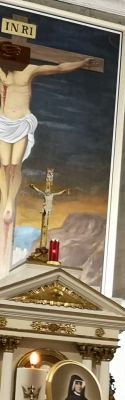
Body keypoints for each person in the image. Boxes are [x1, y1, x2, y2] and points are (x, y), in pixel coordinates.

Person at [0, 56, 95, 263]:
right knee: (4, 165)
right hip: (3, 122)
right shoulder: (1, 72)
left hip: (22, 122)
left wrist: (81, 63)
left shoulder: (29, 70)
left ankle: (8, 202)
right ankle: (5, 198)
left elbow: (59, 67)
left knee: (14, 165)